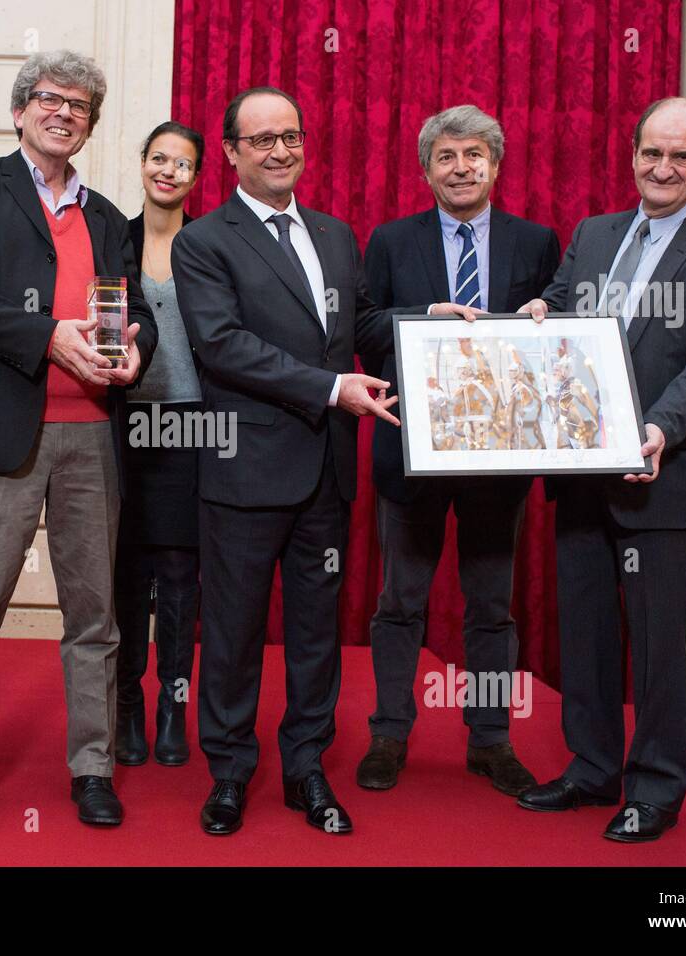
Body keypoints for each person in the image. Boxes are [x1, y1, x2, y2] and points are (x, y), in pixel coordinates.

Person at [515, 97, 686, 841]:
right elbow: (560, 305)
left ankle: (655, 787)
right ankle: (592, 770)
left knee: (655, 645)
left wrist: (656, 429)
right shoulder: (595, 233)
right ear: (633, 155)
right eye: (653, 152)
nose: (663, 168)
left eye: (681, 156)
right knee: (584, 635)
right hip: (580, 472)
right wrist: (534, 312)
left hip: (660, 475)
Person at [0, 50, 157, 832]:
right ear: (21, 110)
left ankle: (92, 765)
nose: (65, 112)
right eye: (50, 99)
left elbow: (136, 314)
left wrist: (133, 353)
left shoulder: (107, 215)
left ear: (90, 124)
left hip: (91, 436)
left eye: (81, 105)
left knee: (95, 617)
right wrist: (49, 337)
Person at [172, 86, 400, 836]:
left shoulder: (336, 235)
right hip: (242, 471)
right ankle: (230, 774)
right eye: (261, 139)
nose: (280, 151)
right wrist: (332, 389)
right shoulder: (202, 241)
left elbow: (353, 326)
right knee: (233, 633)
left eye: (291, 137)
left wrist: (423, 323)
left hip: (325, 476)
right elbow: (222, 344)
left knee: (314, 634)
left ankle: (306, 768)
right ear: (231, 153)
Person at [357, 105, 560, 798]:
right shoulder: (390, 239)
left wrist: (544, 319)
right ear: (426, 169)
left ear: (496, 164)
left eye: (475, 154)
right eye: (447, 156)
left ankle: (491, 740)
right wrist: (426, 319)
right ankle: (389, 732)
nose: (462, 167)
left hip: (499, 459)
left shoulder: (536, 242)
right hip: (412, 449)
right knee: (399, 602)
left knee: (491, 606)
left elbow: (557, 335)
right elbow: (363, 326)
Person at [114, 121, 205, 768]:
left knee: (179, 577)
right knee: (123, 573)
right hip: (120, 423)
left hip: (191, 426)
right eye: (159, 158)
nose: (169, 171)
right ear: (142, 164)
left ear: (198, 176)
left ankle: (174, 706)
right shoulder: (108, 237)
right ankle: (126, 709)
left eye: (183, 164)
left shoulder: (211, 246)